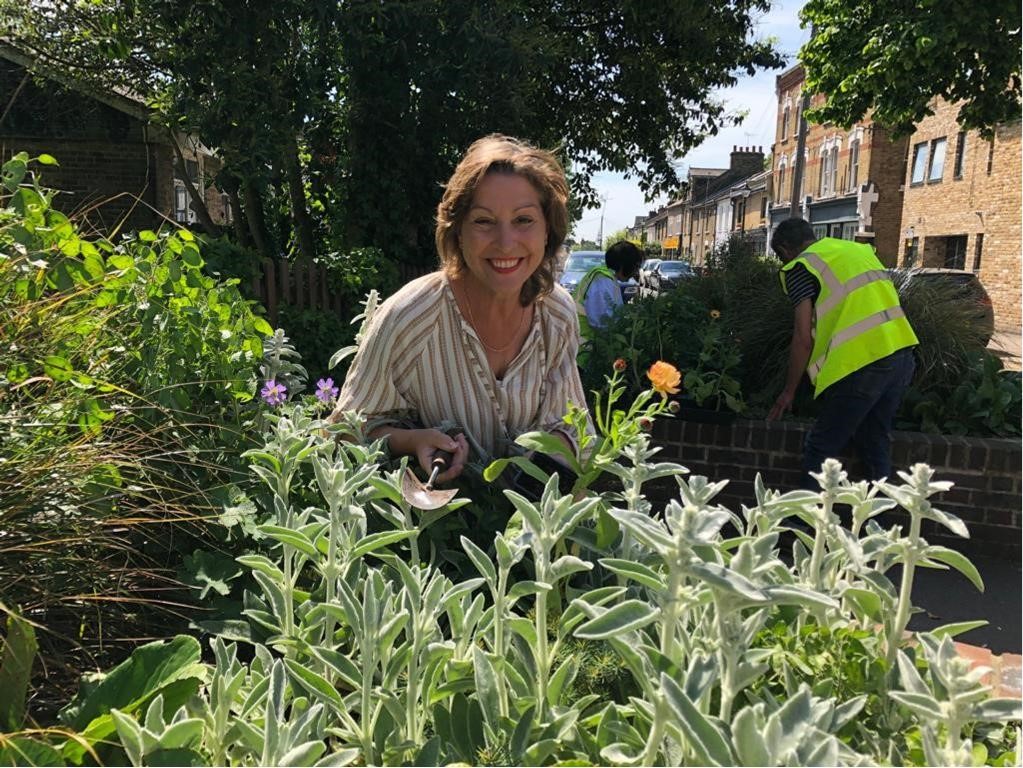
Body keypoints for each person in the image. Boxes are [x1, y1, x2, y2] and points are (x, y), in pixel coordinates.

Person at [330, 134, 588, 485]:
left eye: (524, 220)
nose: (506, 242)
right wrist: (413, 441)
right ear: (457, 231)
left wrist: (550, 457)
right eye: (484, 221)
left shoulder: (557, 314)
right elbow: (343, 432)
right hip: (433, 526)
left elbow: (570, 427)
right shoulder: (411, 317)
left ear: (548, 231)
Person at [767, 217, 918, 487]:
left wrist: (788, 392)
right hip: (901, 353)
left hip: (862, 363)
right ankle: (881, 523)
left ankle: (804, 520)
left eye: (782, 258)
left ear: (786, 250)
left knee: (820, 446)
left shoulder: (802, 267)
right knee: (874, 442)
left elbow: (803, 338)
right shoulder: (856, 251)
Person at [573, 240, 643, 363]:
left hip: (583, 351)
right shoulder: (602, 283)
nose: (635, 273)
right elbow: (604, 325)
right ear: (623, 265)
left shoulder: (605, 278)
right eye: (635, 266)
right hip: (583, 354)